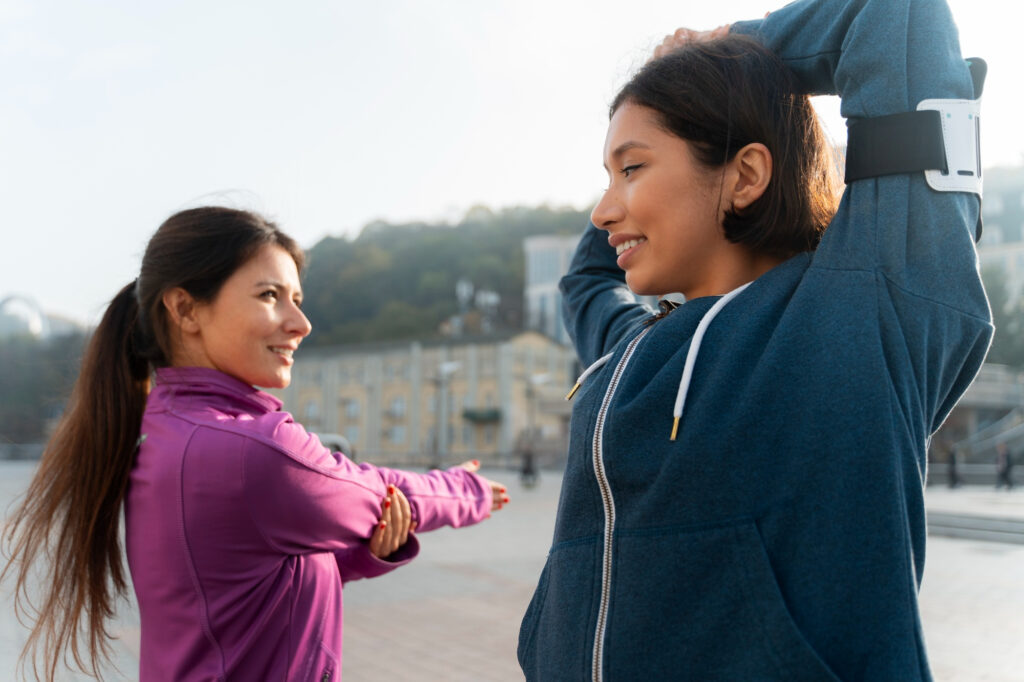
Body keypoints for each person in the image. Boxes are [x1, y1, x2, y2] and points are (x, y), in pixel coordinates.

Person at [517, 0, 991, 679]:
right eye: (606, 176)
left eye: (632, 168)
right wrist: (668, 95)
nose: (603, 209)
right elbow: (585, 280)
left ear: (745, 175)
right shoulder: (625, 355)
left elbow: (894, 16)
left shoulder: (861, 315)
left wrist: (727, 54)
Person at [1, 206, 508, 681]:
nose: (301, 324)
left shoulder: (162, 428)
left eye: (298, 299)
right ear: (184, 309)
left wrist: (363, 555)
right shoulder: (249, 450)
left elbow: (244, 585)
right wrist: (471, 489)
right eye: (270, 295)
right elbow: (387, 493)